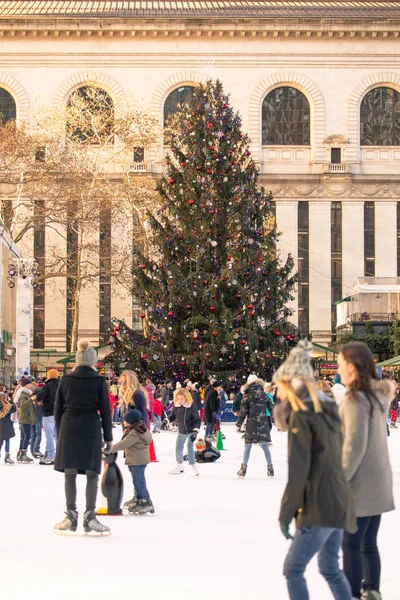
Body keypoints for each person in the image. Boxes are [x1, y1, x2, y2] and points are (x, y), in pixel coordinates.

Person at [273, 339, 356, 600]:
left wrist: (286, 513)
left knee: (293, 569)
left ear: (290, 383)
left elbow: (299, 471)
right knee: (330, 568)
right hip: (340, 500)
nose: (278, 393)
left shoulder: (302, 414)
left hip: (319, 505)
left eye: (280, 386)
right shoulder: (328, 408)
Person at [338, 342, 395, 600]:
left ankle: (349, 594)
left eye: (340, 363)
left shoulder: (355, 400)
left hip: (359, 486)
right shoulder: (376, 398)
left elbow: (353, 446)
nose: (338, 368)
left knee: (350, 545)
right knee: (368, 543)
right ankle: (371, 590)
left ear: (351, 366)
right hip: (379, 482)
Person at [54, 339, 113, 535]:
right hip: (90, 426)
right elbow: (105, 410)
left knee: (70, 472)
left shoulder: (66, 380)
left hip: (68, 426)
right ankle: (90, 516)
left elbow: (57, 410)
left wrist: (59, 432)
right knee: (91, 473)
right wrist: (109, 437)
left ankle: (71, 515)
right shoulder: (98, 381)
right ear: (93, 361)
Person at [111, 408, 154, 515]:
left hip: (137, 460)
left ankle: (144, 501)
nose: (124, 422)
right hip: (137, 458)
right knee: (137, 480)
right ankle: (138, 498)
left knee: (139, 481)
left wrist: (110, 448)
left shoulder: (135, 432)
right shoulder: (140, 428)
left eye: (125, 420)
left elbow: (125, 443)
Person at [236, 374, 274, 479]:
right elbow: (272, 408)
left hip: (251, 425)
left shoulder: (247, 395)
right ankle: (270, 469)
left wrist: (239, 424)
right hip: (263, 424)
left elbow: (243, 412)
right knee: (265, 446)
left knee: (247, 446)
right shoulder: (264, 395)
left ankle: (243, 470)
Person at [169, 387, 201, 476]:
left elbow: (198, 420)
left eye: (182, 398)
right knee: (178, 447)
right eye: (178, 398)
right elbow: (173, 416)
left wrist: (195, 432)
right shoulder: (176, 406)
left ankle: (193, 466)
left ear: (186, 397)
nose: (180, 400)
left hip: (191, 431)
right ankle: (179, 465)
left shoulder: (191, 406)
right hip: (182, 430)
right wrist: (167, 420)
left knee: (189, 447)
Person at [35, 369, 59, 465]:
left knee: (49, 436)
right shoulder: (62, 386)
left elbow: (39, 397)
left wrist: (40, 401)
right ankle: (59, 456)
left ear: (49, 376)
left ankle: (50, 455)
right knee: (58, 436)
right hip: (60, 414)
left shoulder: (47, 387)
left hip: (48, 413)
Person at [16, 377, 37, 463]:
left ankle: (20, 453)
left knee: (24, 436)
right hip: (25, 417)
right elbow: (23, 405)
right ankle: (23, 453)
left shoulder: (26, 393)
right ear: (25, 385)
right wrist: (31, 399)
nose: (30, 385)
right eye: (29, 384)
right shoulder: (23, 394)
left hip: (26, 417)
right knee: (27, 436)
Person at [0, 389, 16, 464]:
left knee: (1, 441)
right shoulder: (7, 406)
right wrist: (10, 401)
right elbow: (14, 409)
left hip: (1, 425)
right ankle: (7, 455)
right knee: (7, 440)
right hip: (7, 425)